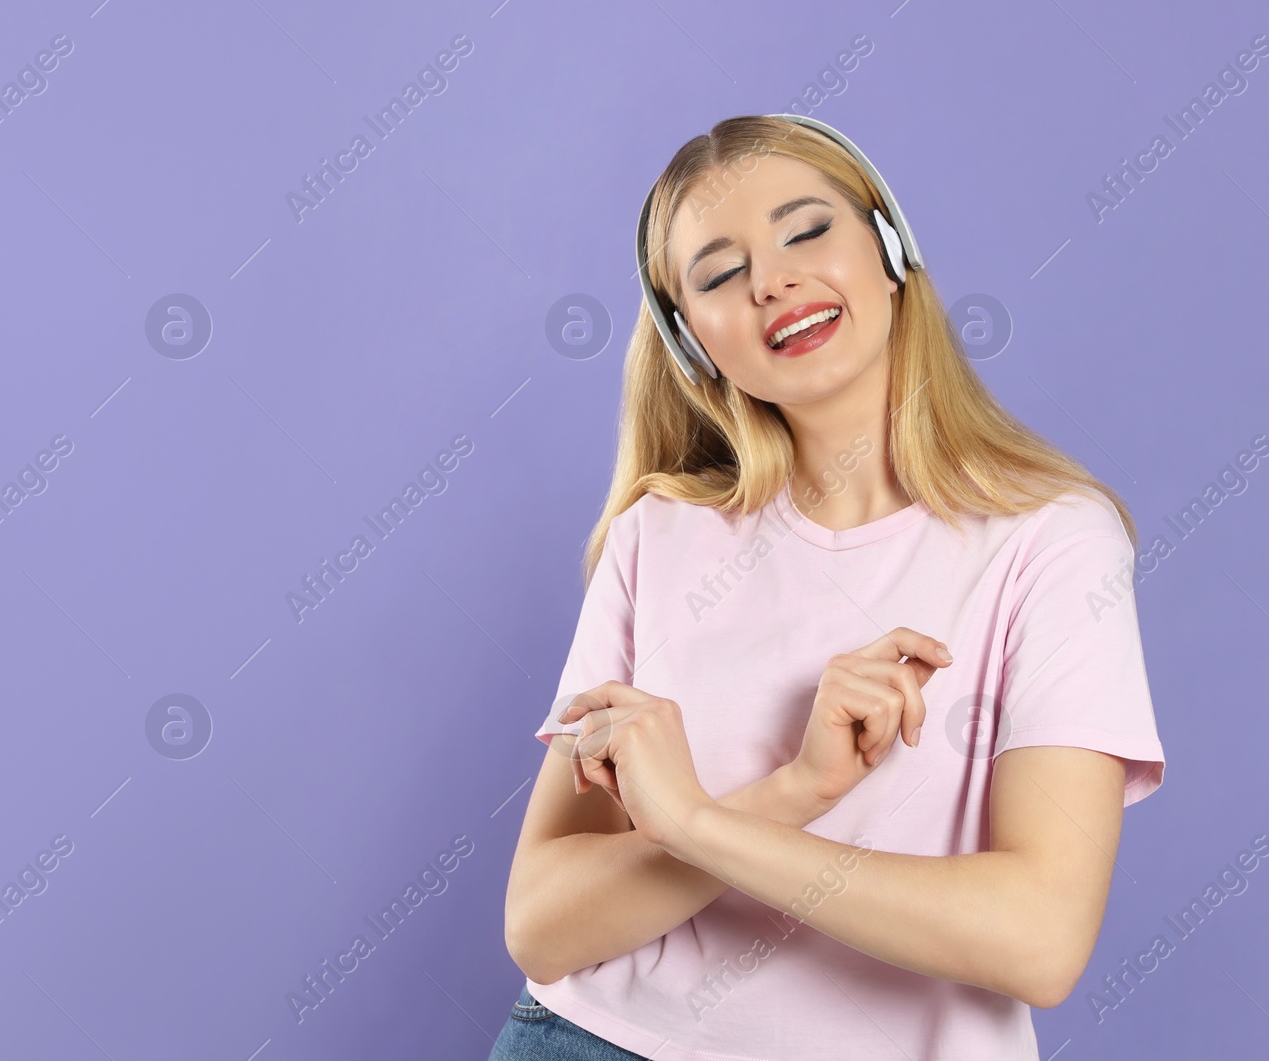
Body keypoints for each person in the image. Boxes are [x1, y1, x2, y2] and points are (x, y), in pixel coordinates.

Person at [491, 113, 1166, 1061]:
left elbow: (1040, 940)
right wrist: (797, 788)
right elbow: (544, 928)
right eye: (721, 274)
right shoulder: (658, 536)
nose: (772, 280)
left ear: (891, 249)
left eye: (807, 231)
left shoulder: (1052, 541)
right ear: (694, 343)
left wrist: (690, 822)